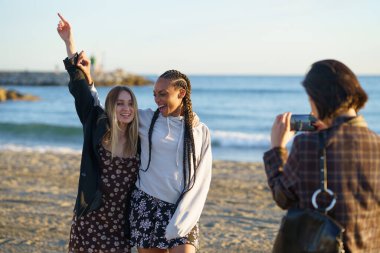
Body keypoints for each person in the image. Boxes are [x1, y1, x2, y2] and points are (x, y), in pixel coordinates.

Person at [263, 59, 380, 252]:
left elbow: (283, 198)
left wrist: (277, 149)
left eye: (310, 100)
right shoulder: (376, 144)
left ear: (319, 100)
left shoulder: (307, 145)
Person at [91, 70, 212, 253]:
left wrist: (190, 211)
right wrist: (86, 79)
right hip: (146, 205)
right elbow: (108, 111)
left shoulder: (199, 131)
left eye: (163, 94)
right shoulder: (145, 119)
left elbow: (203, 177)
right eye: (155, 95)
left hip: (182, 208)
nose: (157, 100)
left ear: (181, 93)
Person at [57, 13, 140, 253]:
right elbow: (82, 92)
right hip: (91, 219)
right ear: (111, 107)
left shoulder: (141, 139)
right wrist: (69, 42)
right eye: (120, 104)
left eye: (130, 103)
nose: (126, 109)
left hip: (123, 226)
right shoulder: (98, 126)